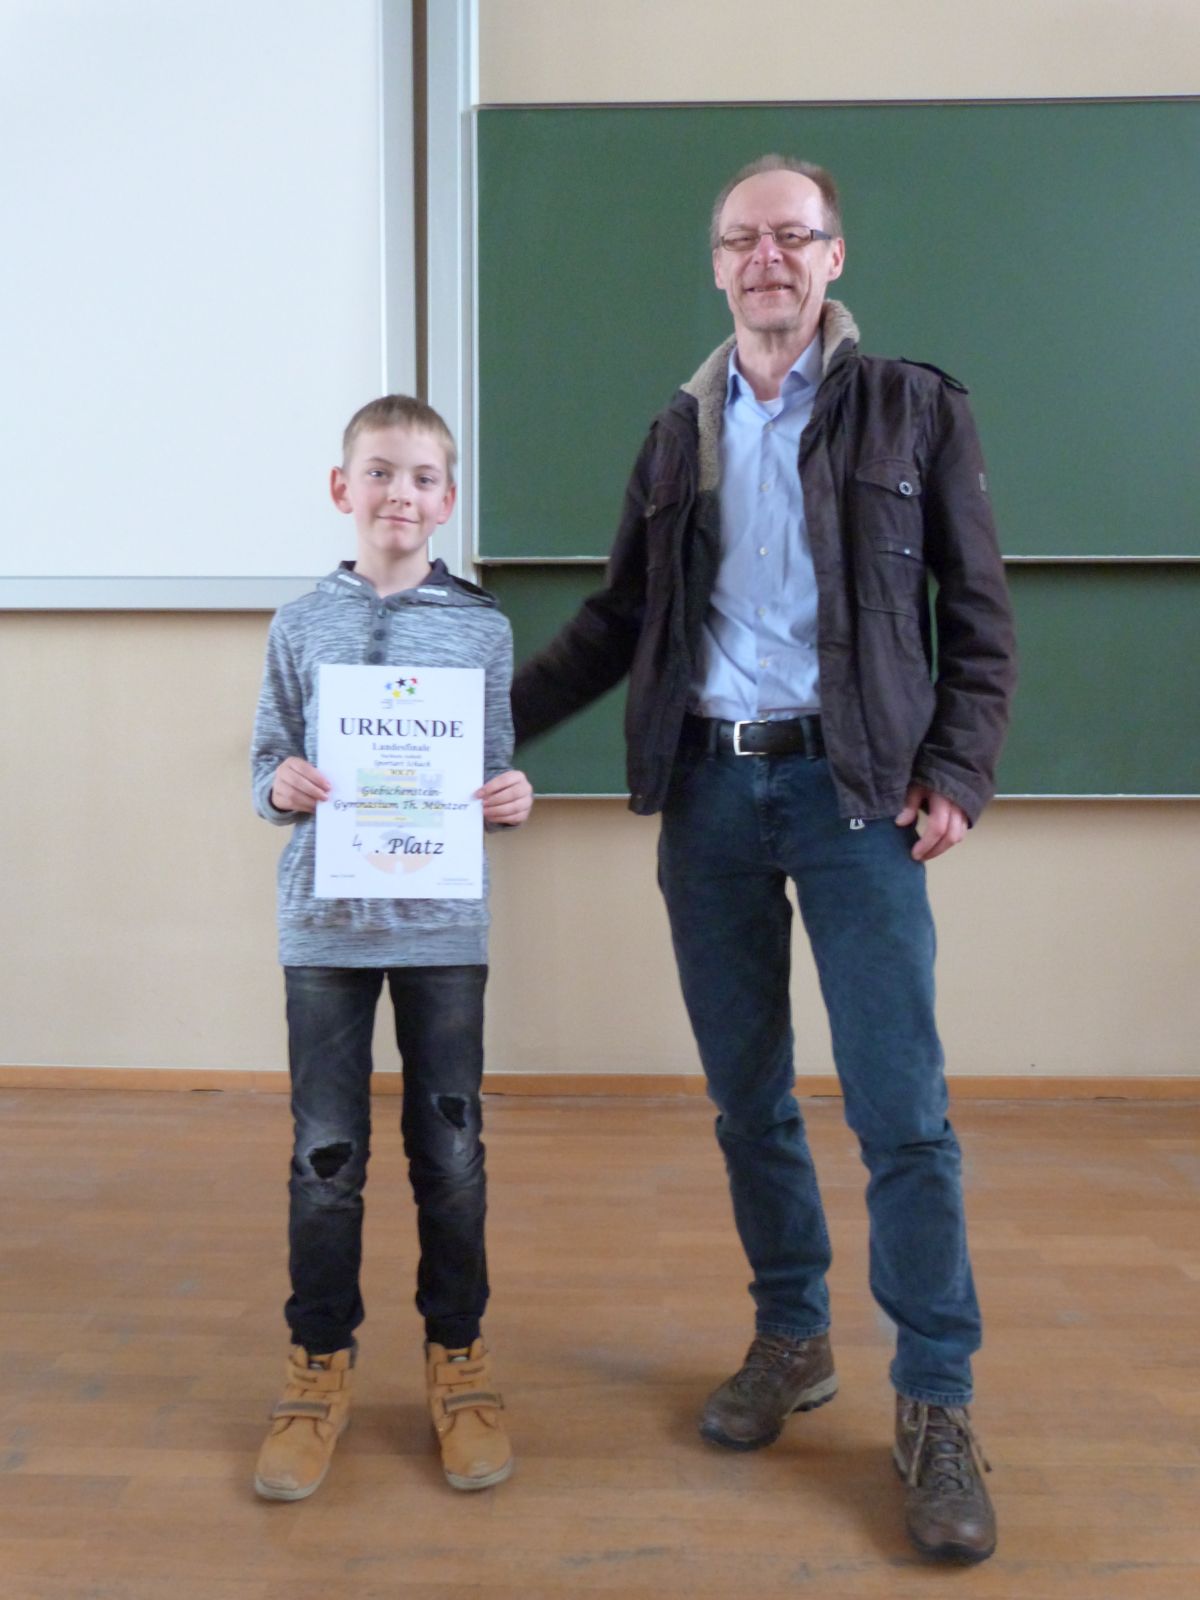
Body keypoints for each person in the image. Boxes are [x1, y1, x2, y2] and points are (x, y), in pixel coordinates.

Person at [510, 155, 1015, 1563]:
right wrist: (472, 729)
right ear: (719, 265)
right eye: (743, 239)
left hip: (857, 798)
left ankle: (936, 1400)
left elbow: (978, 610)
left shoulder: (915, 407)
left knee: (902, 1113)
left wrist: (959, 769)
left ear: (834, 256)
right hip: (712, 798)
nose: (767, 257)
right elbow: (617, 621)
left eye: (793, 234)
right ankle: (794, 1334)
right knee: (748, 1100)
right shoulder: (678, 432)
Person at [250, 394, 532, 1502]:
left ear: (447, 499)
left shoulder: (482, 628)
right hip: (324, 928)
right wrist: (278, 784)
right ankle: (316, 1365)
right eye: (378, 472)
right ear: (342, 488)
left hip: (441, 929)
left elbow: (491, 770)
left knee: (450, 1151)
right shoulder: (297, 624)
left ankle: (458, 1357)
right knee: (325, 1156)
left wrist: (509, 797)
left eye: (421, 478)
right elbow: (268, 759)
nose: (399, 494)